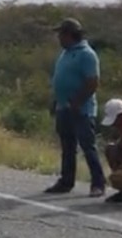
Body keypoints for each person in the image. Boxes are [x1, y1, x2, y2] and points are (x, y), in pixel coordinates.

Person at [45, 17, 105, 197]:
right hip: (64, 107)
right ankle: (66, 181)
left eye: (61, 34)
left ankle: (98, 183)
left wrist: (78, 102)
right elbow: (60, 79)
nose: (59, 38)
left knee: (88, 146)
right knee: (67, 147)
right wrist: (57, 101)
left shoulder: (86, 54)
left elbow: (92, 82)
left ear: (70, 35)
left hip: (81, 110)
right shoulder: (65, 53)